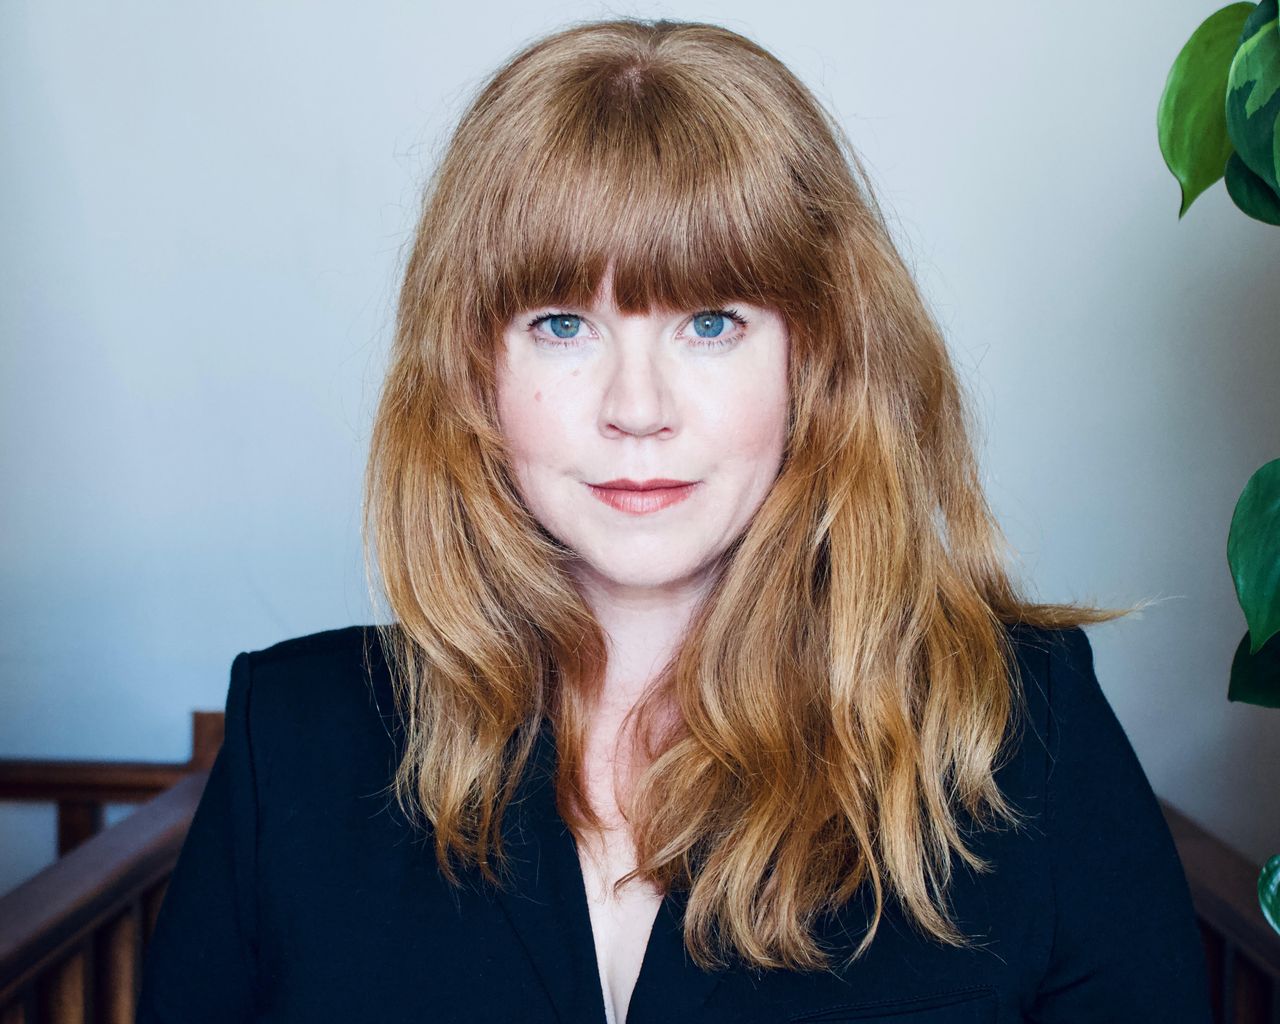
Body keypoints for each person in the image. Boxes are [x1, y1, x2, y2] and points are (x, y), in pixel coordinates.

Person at [136, 16, 1213, 1024]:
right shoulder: (294, 738)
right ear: (472, 370)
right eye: (562, 324)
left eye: (710, 322)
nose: (637, 408)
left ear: (815, 361)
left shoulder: (1022, 730)